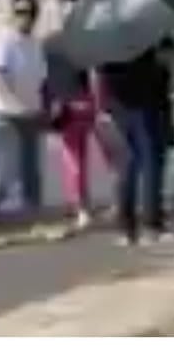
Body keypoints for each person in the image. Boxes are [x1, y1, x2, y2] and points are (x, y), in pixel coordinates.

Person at [0, 0, 49, 243]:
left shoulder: (34, 44)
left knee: (31, 173)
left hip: (27, 115)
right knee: (4, 175)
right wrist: (13, 104)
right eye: (19, 12)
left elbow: (39, 80)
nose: (24, 17)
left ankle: (34, 221)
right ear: (11, 14)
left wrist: (43, 106)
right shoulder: (2, 40)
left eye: (29, 13)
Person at [100, 38, 174, 245]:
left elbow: (102, 73)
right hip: (145, 102)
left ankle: (126, 228)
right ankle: (152, 225)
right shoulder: (149, 29)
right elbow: (166, 58)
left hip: (119, 105)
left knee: (127, 166)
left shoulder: (105, 37)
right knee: (150, 163)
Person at [48, 55, 120, 232]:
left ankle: (82, 211)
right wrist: (100, 107)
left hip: (67, 109)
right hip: (88, 104)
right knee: (113, 157)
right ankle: (120, 202)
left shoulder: (49, 52)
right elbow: (95, 76)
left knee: (74, 161)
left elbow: (45, 84)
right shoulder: (84, 47)